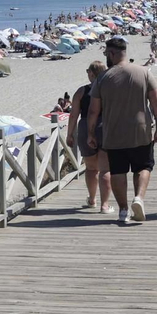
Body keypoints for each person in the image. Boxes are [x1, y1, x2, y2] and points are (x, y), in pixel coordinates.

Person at [85, 37, 157, 224]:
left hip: (113, 133)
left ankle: (122, 210)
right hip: (141, 130)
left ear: (112, 53)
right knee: (143, 167)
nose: (106, 57)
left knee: (118, 171)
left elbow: (93, 110)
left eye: (106, 53)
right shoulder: (143, 72)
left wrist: (90, 134)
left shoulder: (103, 78)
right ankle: (138, 198)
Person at [68, 61, 111, 213]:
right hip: (106, 127)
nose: (87, 73)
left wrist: (69, 134)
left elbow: (73, 115)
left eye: (88, 71)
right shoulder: (109, 90)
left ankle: (92, 199)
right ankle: (105, 205)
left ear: (92, 73)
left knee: (91, 169)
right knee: (106, 169)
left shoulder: (82, 91)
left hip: (86, 127)